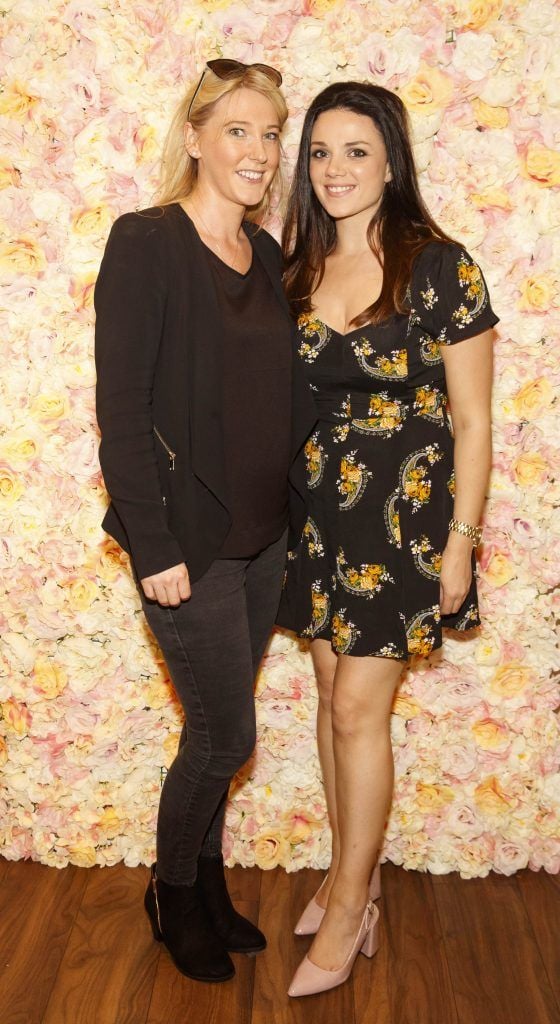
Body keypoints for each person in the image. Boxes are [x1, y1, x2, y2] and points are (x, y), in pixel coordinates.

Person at [94, 59, 316, 984]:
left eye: (271, 134)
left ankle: (209, 884)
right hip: (190, 544)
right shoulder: (147, 243)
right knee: (226, 738)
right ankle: (172, 893)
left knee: (217, 735)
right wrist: (153, 545)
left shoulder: (264, 255)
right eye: (237, 130)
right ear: (194, 137)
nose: (259, 152)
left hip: (264, 539)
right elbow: (122, 405)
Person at [277, 81, 498, 997]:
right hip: (316, 517)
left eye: (356, 150)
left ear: (391, 159)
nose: (335, 170)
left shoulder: (440, 266)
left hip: (402, 524)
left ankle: (358, 893)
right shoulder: (295, 264)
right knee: (335, 705)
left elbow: (475, 423)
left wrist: (461, 544)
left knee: (360, 712)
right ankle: (341, 876)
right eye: (321, 152)